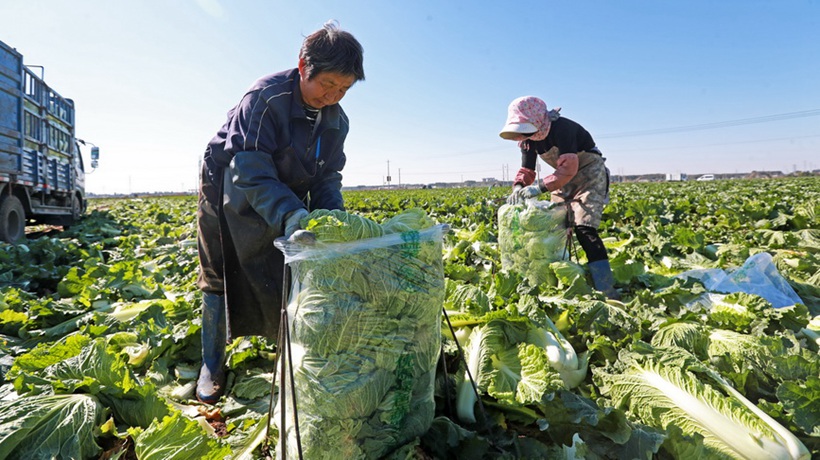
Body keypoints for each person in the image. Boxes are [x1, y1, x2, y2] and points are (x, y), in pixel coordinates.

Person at [195, 21, 365, 404]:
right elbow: (250, 168)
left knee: (287, 265)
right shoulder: (266, 97)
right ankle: (211, 364)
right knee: (219, 272)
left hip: (281, 189)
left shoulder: (336, 119)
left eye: (344, 89)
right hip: (228, 185)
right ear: (304, 67)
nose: (334, 95)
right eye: (328, 84)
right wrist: (290, 214)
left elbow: (326, 176)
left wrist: (333, 220)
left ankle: (286, 350)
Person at [499, 96, 620, 300]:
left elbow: (570, 167)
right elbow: (527, 169)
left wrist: (540, 188)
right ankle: (562, 278)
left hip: (589, 174)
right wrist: (519, 186)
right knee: (555, 225)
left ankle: (606, 287)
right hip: (561, 176)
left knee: (584, 228)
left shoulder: (563, 129)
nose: (523, 134)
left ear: (537, 119)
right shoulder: (528, 141)